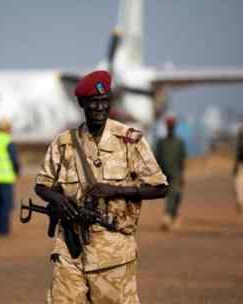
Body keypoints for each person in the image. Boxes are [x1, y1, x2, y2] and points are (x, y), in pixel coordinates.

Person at [34, 70, 169, 303]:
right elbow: (42, 185)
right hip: (70, 250)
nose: (99, 108)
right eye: (93, 102)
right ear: (81, 103)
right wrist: (60, 201)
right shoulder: (64, 143)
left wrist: (116, 190)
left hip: (113, 253)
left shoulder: (129, 140)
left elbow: (160, 187)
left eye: (104, 101)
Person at [156, 115, 186, 230]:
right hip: (164, 173)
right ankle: (168, 216)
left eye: (172, 126)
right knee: (171, 195)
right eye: (169, 126)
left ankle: (170, 215)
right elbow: (156, 158)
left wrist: (182, 175)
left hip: (176, 174)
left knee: (175, 194)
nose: (170, 128)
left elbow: (182, 159)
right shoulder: (161, 142)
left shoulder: (180, 142)